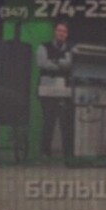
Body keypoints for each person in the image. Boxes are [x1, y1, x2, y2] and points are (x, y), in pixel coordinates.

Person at [36, 22, 74, 160]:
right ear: (55, 32)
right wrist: (61, 63)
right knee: (48, 122)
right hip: (47, 88)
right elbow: (42, 63)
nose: (61, 33)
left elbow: (70, 65)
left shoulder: (71, 49)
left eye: (64, 31)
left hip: (65, 89)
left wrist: (54, 62)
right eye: (59, 30)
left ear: (67, 34)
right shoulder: (43, 46)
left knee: (66, 124)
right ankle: (45, 153)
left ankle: (68, 154)